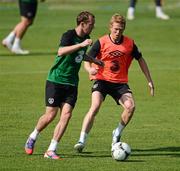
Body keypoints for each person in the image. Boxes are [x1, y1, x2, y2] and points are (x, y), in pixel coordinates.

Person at [24, 11, 103, 160]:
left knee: (66, 115)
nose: (93, 28)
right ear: (82, 24)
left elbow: (79, 54)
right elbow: (61, 51)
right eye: (91, 25)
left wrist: (94, 60)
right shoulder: (69, 35)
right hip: (56, 80)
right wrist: (81, 44)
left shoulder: (86, 38)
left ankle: (51, 149)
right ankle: (33, 136)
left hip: (72, 83)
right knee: (50, 116)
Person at [74, 13, 154, 153]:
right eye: (116, 29)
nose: (118, 32)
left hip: (120, 83)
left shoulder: (129, 43)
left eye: (121, 30)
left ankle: (116, 133)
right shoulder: (101, 41)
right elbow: (87, 58)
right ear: (110, 27)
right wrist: (89, 69)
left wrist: (149, 80)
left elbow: (141, 59)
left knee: (130, 107)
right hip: (102, 80)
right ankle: (82, 139)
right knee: (95, 106)